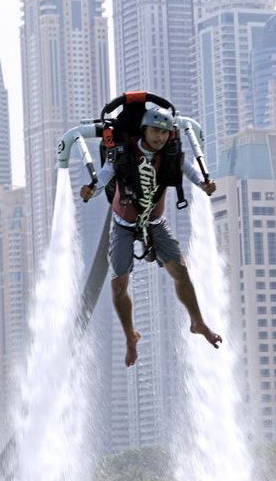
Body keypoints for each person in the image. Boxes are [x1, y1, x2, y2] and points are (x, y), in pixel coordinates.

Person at [80, 106, 223, 366]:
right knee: (118, 284)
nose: (159, 137)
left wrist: (204, 184)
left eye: (165, 133)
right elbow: (104, 175)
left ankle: (198, 322)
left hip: (155, 222)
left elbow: (189, 170)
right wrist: (91, 189)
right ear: (144, 130)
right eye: (155, 131)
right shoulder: (123, 152)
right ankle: (130, 336)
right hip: (123, 224)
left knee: (180, 271)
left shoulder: (170, 153)